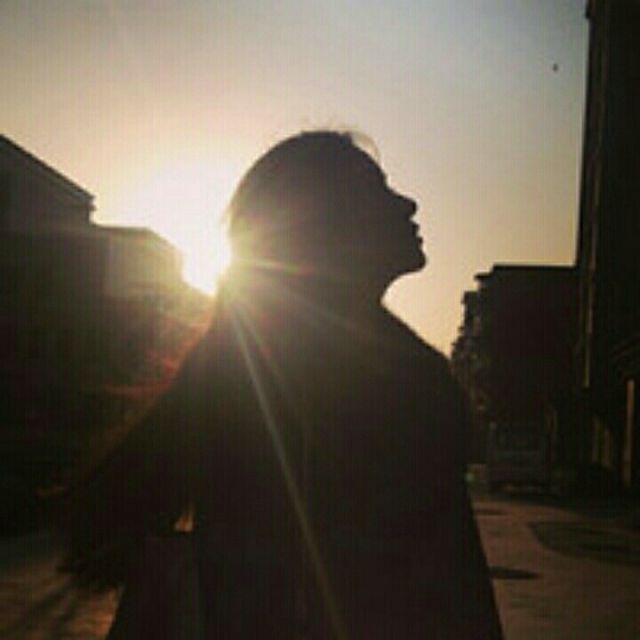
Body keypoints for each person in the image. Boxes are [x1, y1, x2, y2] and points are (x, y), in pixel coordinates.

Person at [63, 130, 503, 638]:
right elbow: (448, 584)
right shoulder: (390, 384)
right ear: (330, 227)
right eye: (376, 191)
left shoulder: (244, 372)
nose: (407, 204)